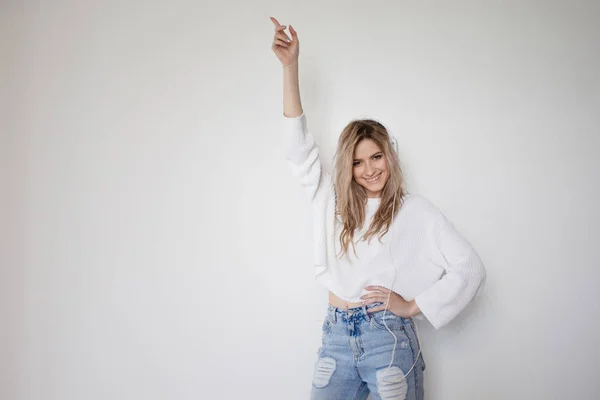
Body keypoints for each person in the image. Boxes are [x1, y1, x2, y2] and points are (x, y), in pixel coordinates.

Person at [270, 17, 486, 400]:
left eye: (376, 157)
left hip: (387, 337)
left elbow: (469, 268)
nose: (370, 169)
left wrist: (412, 305)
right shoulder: (329, 199)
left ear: (389, 156)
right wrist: (290, 68)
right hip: (335, 336)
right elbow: (297, 148)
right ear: (347, 167)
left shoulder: (414, 210)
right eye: (357, 162)